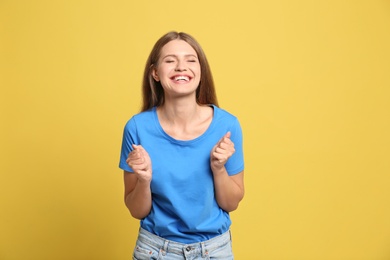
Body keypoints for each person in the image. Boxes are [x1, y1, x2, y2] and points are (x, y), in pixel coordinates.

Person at [119, 31, 245, 259]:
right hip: (155, 250)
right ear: (156, 73)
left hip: (214, 251)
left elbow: (232, 203)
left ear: (200, 71)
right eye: (170, 60)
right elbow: (137, 210)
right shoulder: (137, 128)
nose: (181, 67)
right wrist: (144, 180)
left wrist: (218, 168)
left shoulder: (227, 126)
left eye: (190, 60)